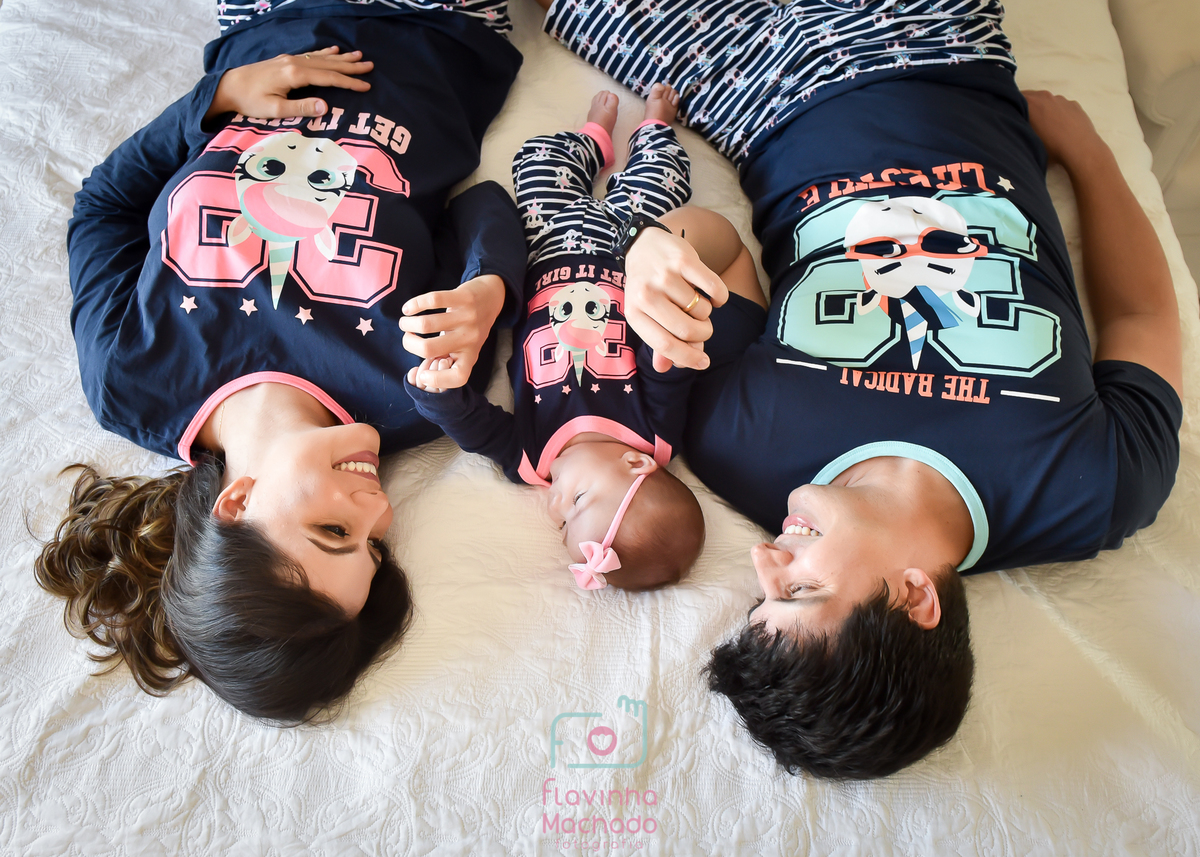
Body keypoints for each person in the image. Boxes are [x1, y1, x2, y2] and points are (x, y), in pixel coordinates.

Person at [536, 0, 1183, 777]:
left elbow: (722, 249)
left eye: (761, 594)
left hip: (758, 99)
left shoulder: (739, 450)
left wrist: (656, 248)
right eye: (799, 590)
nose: (764, 559)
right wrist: (1089, 154)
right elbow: (1143, 315)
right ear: (914, 596)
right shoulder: (1097, 487)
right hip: (931, 52)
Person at [35, 0, 526, 722]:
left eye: (334, 531)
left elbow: (103, 209)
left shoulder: (130, 377)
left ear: (235, 504)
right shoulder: (424, 394)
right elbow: (482, 205)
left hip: (266, 22)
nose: (379, 510)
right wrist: (490, 289)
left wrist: (216, 99)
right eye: (374, 546)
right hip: (434, 30)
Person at [406, 85, 765, 589]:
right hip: (629, 247)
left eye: (562, 525)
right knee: (661, 177)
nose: (555, 505)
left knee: (535, 162)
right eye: (577, 502)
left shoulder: (532, 461)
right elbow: (667, 369)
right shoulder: (654, 434)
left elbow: (477, 428)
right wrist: (667, 347)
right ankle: (654, 126)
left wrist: (438, 394)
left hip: (546, 250)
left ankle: (590, 139)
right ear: (635, 463)